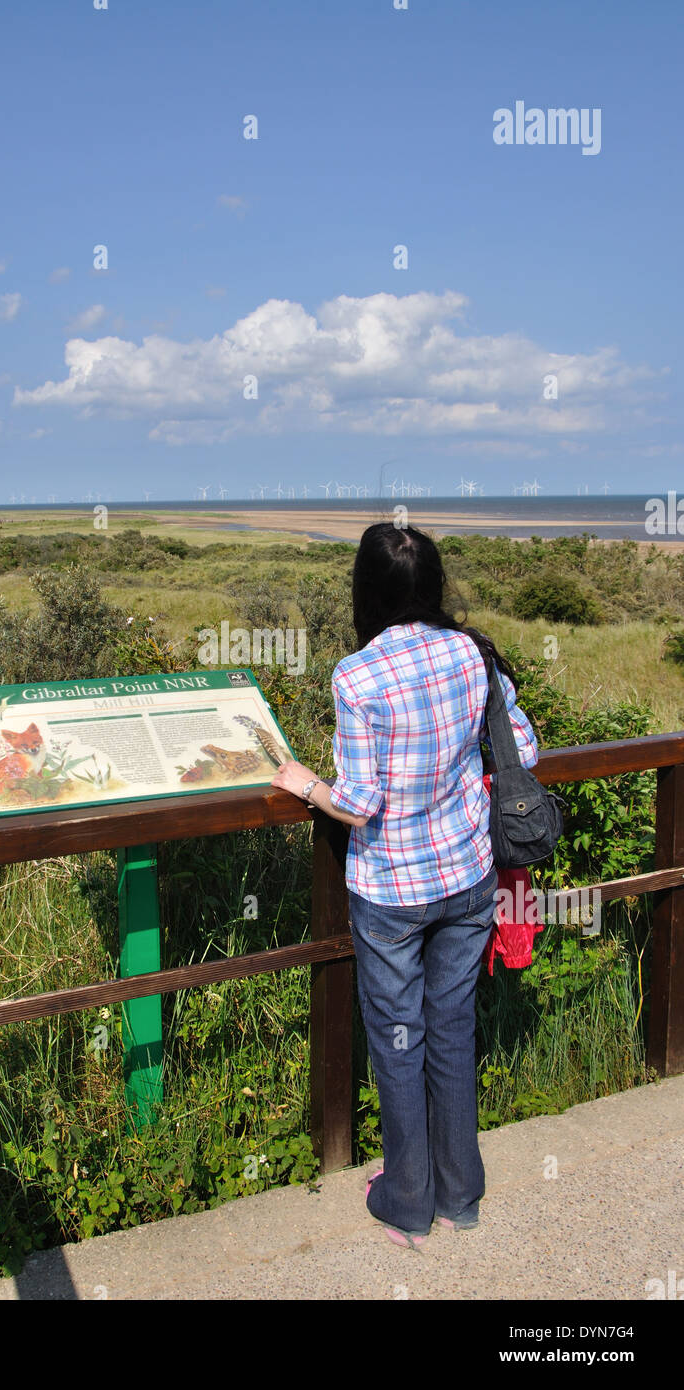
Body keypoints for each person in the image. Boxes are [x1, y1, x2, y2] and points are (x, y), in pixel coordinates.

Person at [271, 521, 539, 1250]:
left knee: (397, 1037)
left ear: (365, 591)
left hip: (391, 886)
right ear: (434, 584)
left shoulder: (356, 675)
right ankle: (460, 1193)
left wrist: (304, 783)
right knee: (452, 1029)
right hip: (467, 874)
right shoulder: (470, 653)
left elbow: (357, 803)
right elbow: (527, 746)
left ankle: (406, 1198)